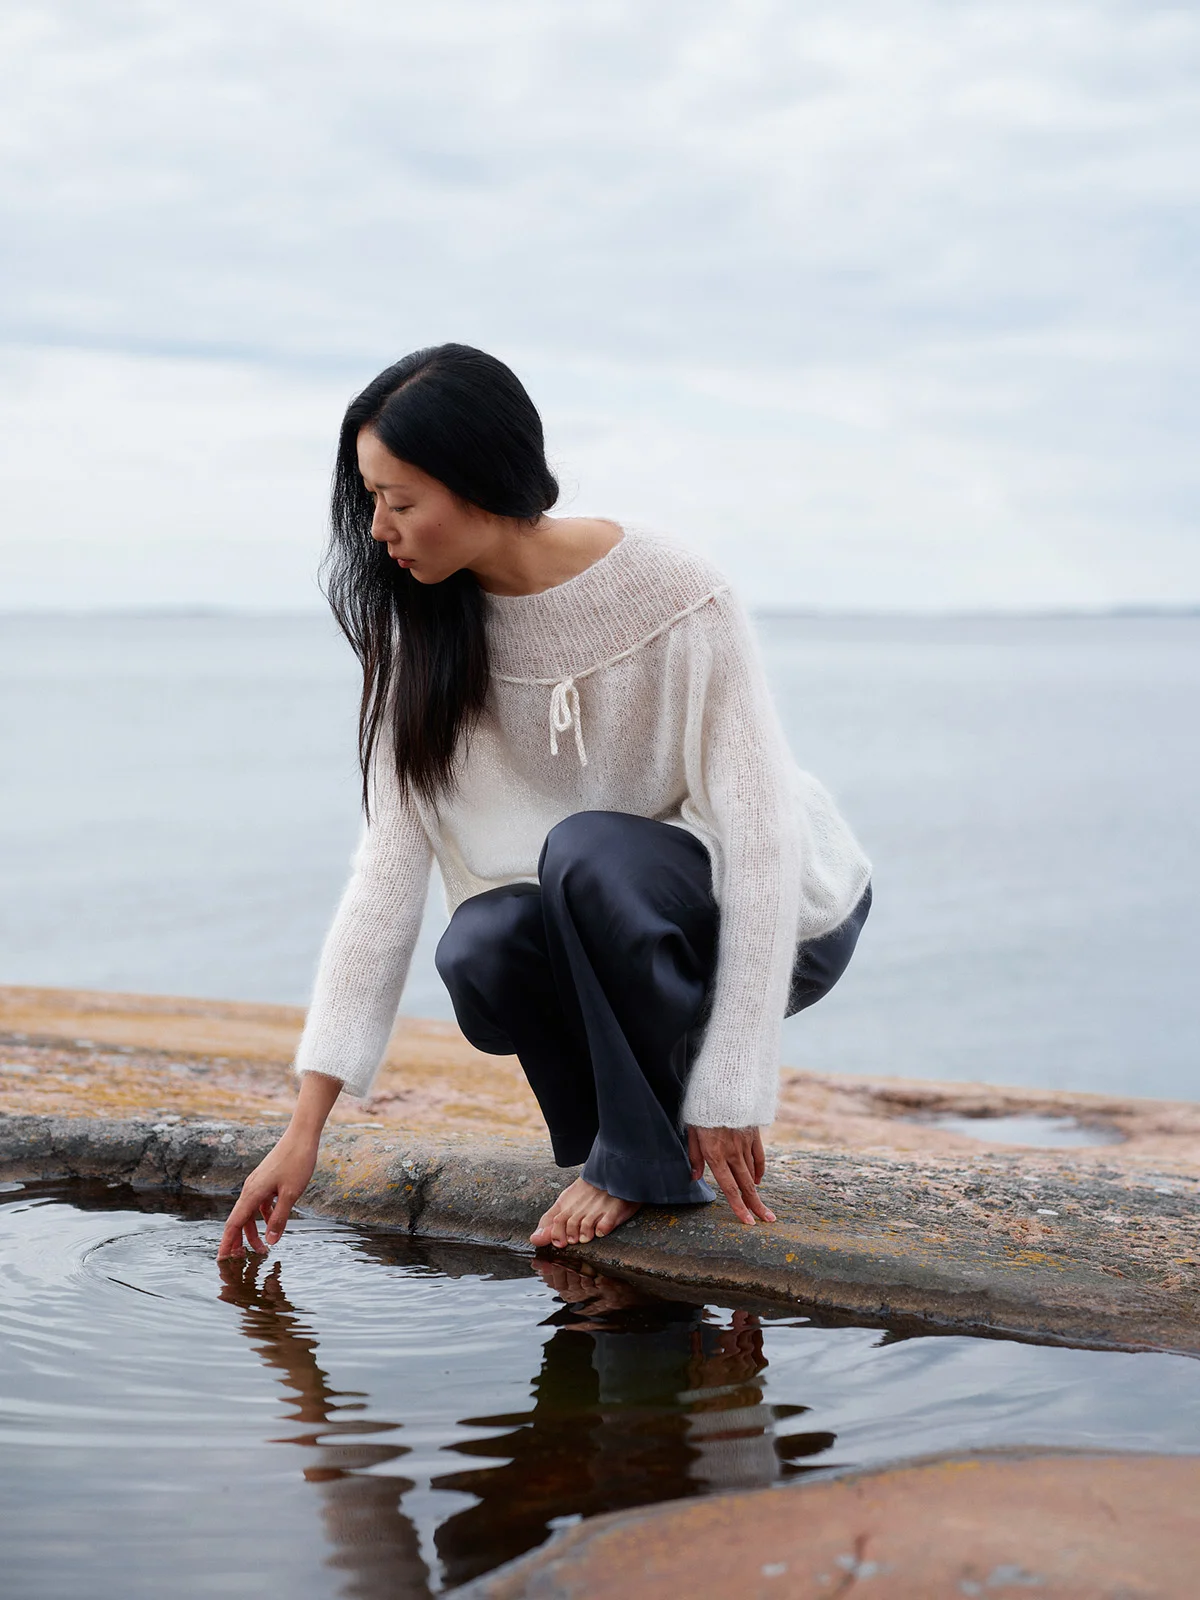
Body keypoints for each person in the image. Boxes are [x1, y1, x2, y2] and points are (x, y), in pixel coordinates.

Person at [218, 343, 871, 1263]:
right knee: (482, 949)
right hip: (604, 928)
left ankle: (636, 1161)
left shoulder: (679, 595)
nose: (377, 530)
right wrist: (304, 1131)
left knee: (586, 850)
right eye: (370, 502)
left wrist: (731, 1089)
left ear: (480, 484)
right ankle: (626, 1151)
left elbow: (763, 845)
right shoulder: (428, 638)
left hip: (772, 915)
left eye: (398, 503)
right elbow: (385, 881)